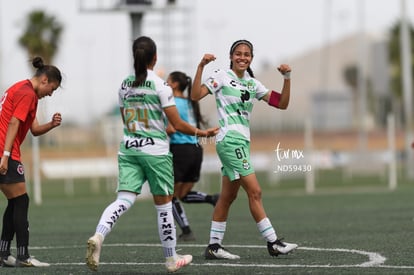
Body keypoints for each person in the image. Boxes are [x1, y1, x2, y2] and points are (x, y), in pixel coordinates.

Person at [85, 36, 218, 273]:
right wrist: (202, 131)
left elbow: (126, 119)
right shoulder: (160, 85)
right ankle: (170, 259)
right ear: (154, 58)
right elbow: (176, 123)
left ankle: (98, 235)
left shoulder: (124, 85)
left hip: (129, 149)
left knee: (123, 200)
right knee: (164, 206)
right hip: (156, 152)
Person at [191, 39, 298, 260]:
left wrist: (286, 78)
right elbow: (195, 95)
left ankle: (213, 247)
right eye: (238, 53)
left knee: (227, 197)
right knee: (255, 192)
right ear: (231, 56)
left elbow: (282, 103)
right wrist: (201, 66)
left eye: (246, 54)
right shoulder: (221, 75)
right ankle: (273, 242)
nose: (242, 57)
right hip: (230, 141)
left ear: (251, 58)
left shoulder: (252, 83)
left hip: (241, 143)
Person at [0, 56, 63, 267]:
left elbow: (34, 130)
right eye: (51, 89)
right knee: (22, 201)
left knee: (16, 200)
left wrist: (51, 125)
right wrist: (6, 155)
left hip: (5, 150)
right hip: (4, 151)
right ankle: (24, 256)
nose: (50, 94)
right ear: (44, 80)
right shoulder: (27, 93)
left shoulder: (25, 90)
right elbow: (14, 123)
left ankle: (3, 254)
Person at [166, 71, 219, 242]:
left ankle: (186, 230)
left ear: (174, 84)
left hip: (181, 150)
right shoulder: (190, 102)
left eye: (168, 81)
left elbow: (172, 129)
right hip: (196, 149)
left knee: (170, 196)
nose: (165, 83)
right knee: (183, 194)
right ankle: (212, 199)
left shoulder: (170, 103)